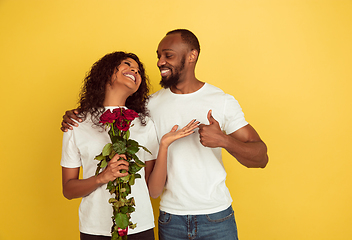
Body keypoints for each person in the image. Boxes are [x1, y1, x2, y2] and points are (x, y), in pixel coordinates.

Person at [61, 29, 268, 240]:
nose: (160, 62)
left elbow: (261, 157)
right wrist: (77, 115)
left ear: (191, 56)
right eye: (158, 56)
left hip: (217, 217)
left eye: (168, 55)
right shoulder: (148, 106)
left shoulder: (221, 101)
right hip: (170, 219)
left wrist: (224, 140)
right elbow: (112, 108)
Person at [60, 51, 199, 240]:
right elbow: (68, 190)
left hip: (140, 227)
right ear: (106, 72)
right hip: (95, 228)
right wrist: (102, 177)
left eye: (138, 70)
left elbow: (154, 191)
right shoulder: (77, 123)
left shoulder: (144, 124)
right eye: (127, 64)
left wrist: (164, 145)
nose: (134, 70)